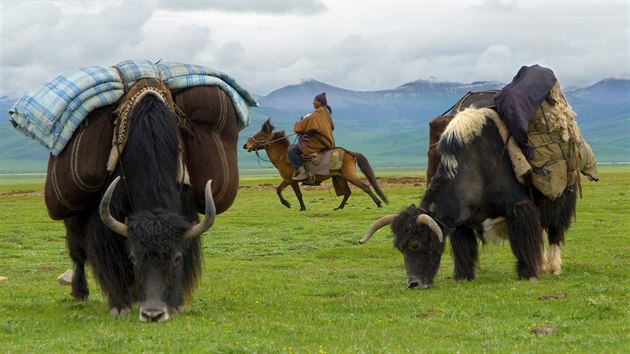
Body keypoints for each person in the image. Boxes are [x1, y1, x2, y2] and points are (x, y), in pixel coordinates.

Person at [287, 92, 335, 180]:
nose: (313, 102)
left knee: (291, 150)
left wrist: (299, 126)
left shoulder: (318, 113)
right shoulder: (325, 113)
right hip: (325, 141)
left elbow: (307, 123)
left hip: (318, 142)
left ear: (320, 102)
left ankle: (302, 173)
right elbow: (330, 127)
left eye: (315, 100)